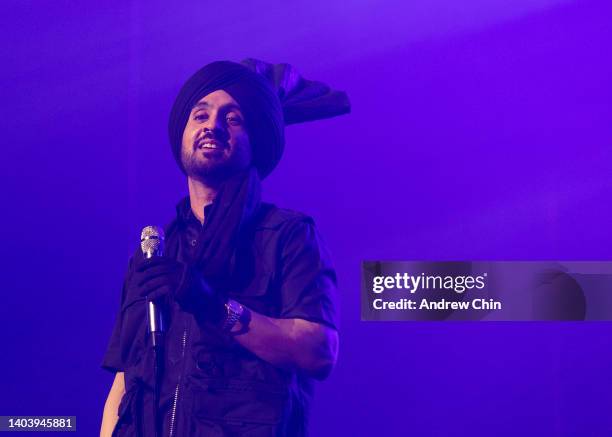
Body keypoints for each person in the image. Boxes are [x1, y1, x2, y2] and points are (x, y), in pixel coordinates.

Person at [100, 59, 350, 437]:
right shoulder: (155, 252)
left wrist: (213, 306)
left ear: (256, 141)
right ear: (182, 131)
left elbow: (318, 351)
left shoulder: (288, 235)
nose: (212, 125)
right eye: (200, 115)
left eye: (233, 119)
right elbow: (124, 379)